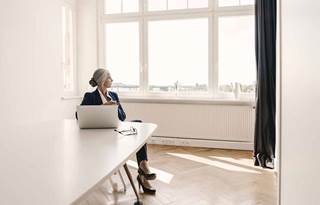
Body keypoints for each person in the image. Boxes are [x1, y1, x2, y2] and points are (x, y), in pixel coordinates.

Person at [80, 68, 156, 194]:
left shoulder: (113, 95)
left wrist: (115, 107)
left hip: (117, 130)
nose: (112, 80)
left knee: (139, 125)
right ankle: (142, 173)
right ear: (103, 80)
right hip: (101, 136)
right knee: (137, 129)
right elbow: (79, 116)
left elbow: (123, 116)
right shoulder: (90, 96)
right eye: (110, 77)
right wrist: (101, 108)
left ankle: (143, 166)